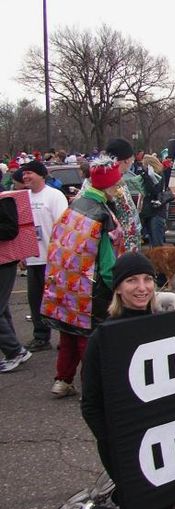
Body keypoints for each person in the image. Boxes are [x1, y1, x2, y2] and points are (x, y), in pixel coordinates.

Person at [54, 252, 175, 509]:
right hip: (126, 446)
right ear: (118, 288)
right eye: (131, 280)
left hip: (166, 439)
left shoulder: (166, 328)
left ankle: (122, 493)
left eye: (147, 279)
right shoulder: (103, 338)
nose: (142, 287)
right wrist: (118, 449)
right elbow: (91, 404)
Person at [41, 156, 127, 396]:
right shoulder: (102, 215)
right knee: (89, 341)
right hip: (90, 288)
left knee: (68, 334)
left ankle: (62, 380)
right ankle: (93, 387)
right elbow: (108, 263)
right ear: (109, 186)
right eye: (117, 185)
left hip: (65, 282)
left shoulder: (75, 206)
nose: (119, 189)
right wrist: (118, 287)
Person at [16, 160, 67, 352]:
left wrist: (60, 254)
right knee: (35, 299)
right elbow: (20, 228)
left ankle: (66, 337)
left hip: (52, 258)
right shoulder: (23, 198)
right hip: (32, 258)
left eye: (30, 173)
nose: (26, 176)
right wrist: (22, 253)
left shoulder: (54, 196)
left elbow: (62, 226)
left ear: (41, 175)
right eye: (24, 173)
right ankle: (41, 336)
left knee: (59, 300)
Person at [0, 193, 32, 373]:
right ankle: (13, 349)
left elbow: (10, 230)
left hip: (5, 261)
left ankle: (14, 350)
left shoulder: (5, 198)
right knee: (3, 309)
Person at [138, 154, 167, 247]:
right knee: (153, 243)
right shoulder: (150, 175)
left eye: (144, 165)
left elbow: (155, 191)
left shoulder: (158, 175)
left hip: (156, 212)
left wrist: (149, 178)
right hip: (150, 212)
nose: (143, 167)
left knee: (157, 244)